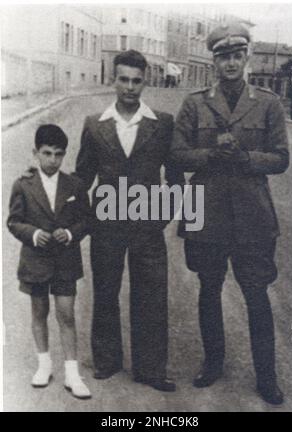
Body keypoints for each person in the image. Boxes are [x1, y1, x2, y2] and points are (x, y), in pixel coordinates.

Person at [171, 23, 289, 405]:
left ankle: (267, 377)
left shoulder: (268, 102)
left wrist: (246, 159)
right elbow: (176, 154)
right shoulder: (194, 102)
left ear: (247, 58)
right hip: (206, 212)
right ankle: (213, 363)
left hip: (252, 216)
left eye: (238, 56)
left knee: (256, 294)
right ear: (215, 62)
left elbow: (280, 159)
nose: (231, 63)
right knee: (209, 289)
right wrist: (208, 155)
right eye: (224, 57)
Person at [75, 50, 184, 392]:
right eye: (124, 79)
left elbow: (176, 179)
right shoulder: (95, 124)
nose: (130, 87)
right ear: (113, 79)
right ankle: (106, 361)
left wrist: (161, 217)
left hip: (146, 225)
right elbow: (82, 178)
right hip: (106, 224)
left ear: (145, 81)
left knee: (151, 294)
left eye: (137, 80)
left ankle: (151, 368)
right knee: (105, 292)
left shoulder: (162, 122)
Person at [7, 124, 91, 399]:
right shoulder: (23, 183)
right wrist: (33, 234)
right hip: (36, 261)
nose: (52, 160)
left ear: (64, 155)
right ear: (36, 153)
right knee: (39, 313)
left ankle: (72, 372)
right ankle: (44, 365)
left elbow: (86, 220)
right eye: (47, 153)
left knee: (66, 314)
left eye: (58, 154)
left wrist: (69, 233)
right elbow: (14, 221)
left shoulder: (75, 185)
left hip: (65, 260)